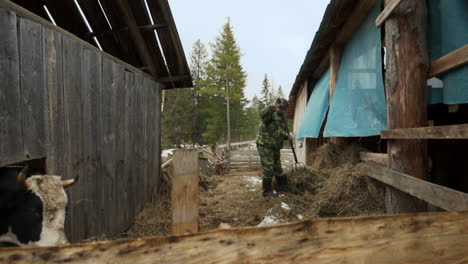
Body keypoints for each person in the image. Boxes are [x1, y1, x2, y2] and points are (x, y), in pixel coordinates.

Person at [256, 98, 293, 197]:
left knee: (278, 168)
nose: (284, 111)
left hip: (275, 146)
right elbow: (262, 115)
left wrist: (287, 136)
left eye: (285, 109)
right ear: (279, 107)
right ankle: (267, 192)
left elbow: (278, 132)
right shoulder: (271, 114)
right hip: (265, 145)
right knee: (268, 168)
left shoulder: (281, 118)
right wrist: (273, 106)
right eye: (282, 108)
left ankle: (282, 187)